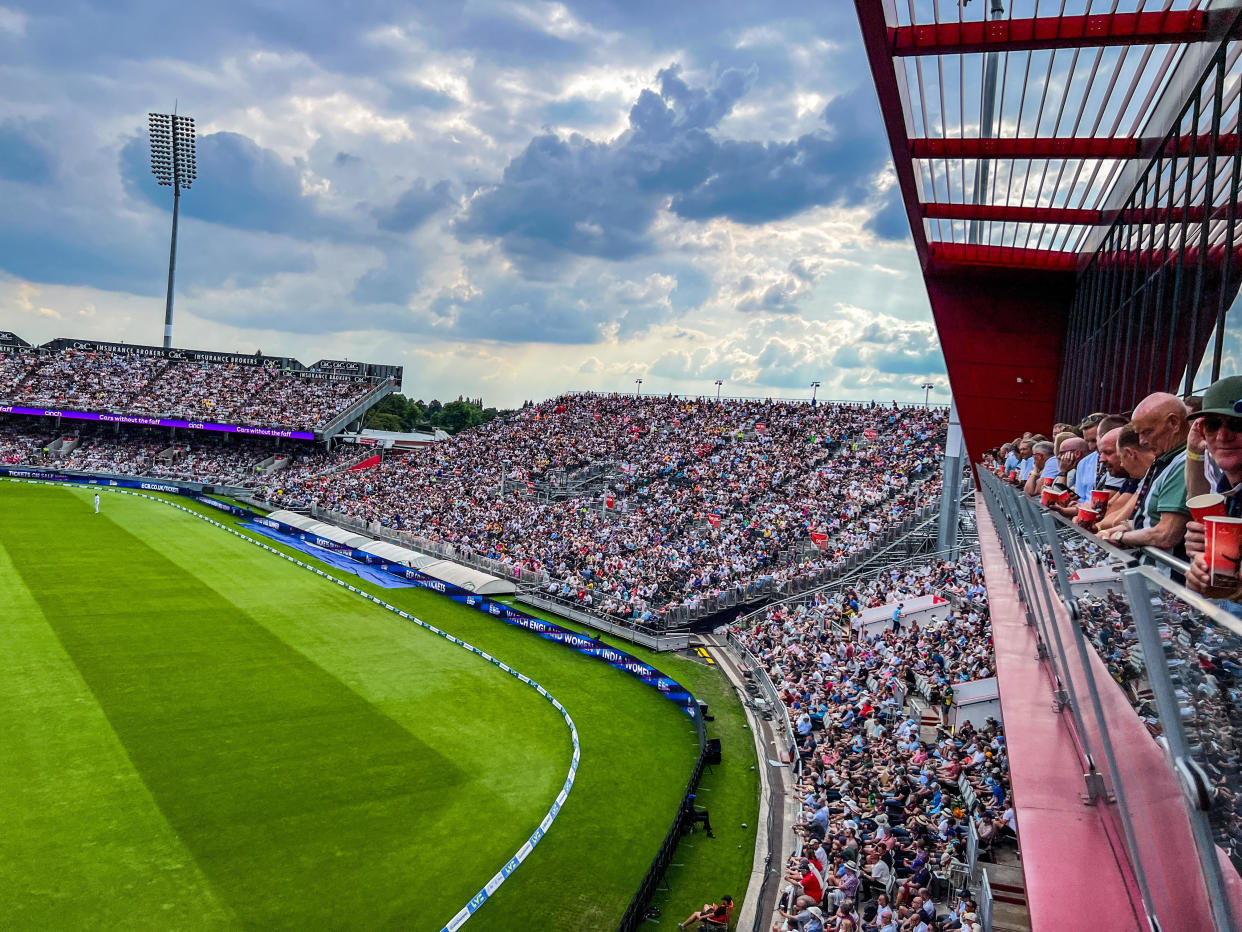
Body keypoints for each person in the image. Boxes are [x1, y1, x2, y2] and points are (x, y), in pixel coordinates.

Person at [1182, 377, 1242, 601]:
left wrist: (1231, 589)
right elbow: (1197, 499)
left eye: (1238, 425)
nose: (1223, 436)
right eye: (1212, 425)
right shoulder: (1228, 488)